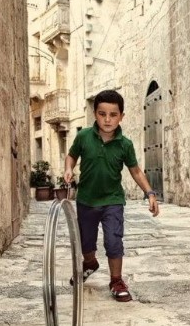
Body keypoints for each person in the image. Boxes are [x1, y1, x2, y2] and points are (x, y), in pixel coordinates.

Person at [64, 89, 160, 302]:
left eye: (113, 115)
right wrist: (68, 168)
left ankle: (116, 280)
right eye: (102, 114)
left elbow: (135, 171)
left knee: (114, 240)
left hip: (112, 201)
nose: (107, 119)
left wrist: (150, 193)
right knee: (86, 243)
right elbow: (71, 156)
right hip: (86, 201)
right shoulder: (83, 137)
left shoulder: (125, 144)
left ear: (121, 116)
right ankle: (90, 263)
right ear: (95, 114)